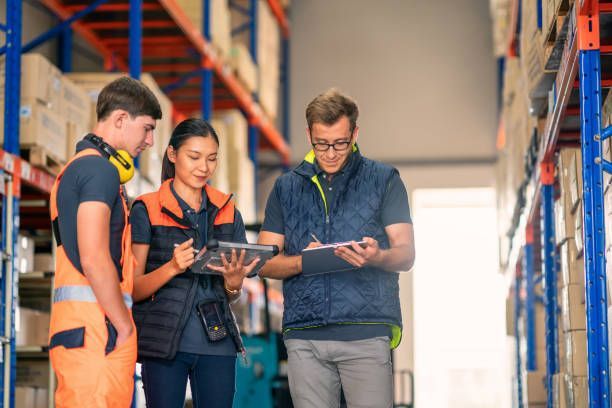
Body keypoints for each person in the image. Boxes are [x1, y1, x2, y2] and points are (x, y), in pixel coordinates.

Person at [258, 88, 415, 408]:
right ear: (309, 134)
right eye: (321, 144)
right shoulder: (286, 187)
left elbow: (406, 253)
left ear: (355, 133)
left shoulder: (384, 180)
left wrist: (377, 256)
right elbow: (265, 262)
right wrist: (305, 261)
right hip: (305, 336)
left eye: (340, 143)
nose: (330, 153)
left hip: (366, 334)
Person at [129, 118, 259, 408]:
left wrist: (234, 286)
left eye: (212, 159)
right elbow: (133, 288)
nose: (204, 167)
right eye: (194, 157)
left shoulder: (227, 210)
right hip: (164, 346)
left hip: (217, 343)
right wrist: (172, 267)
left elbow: (231, 293)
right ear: (173, 155)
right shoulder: (147, 208)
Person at [48, 76, 161, 407]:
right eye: (147, 128)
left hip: (85, 333)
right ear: (121, 120)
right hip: (99, 335)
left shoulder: (77, 170)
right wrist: (124, 327)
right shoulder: (100, 173)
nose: (150, 141)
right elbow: (94, 257)